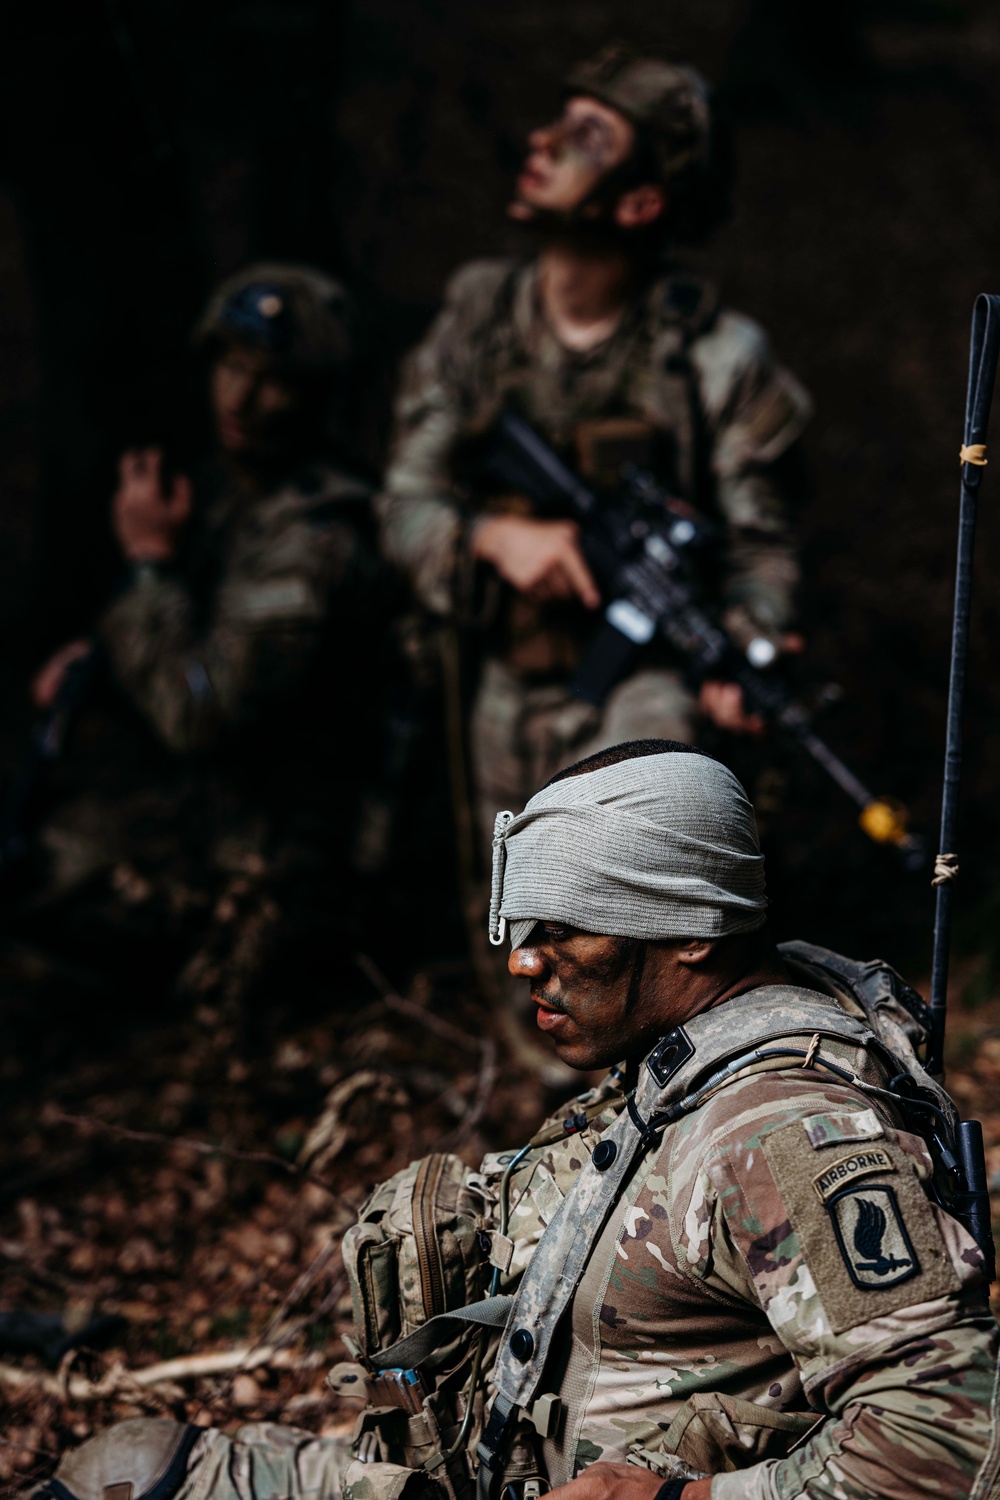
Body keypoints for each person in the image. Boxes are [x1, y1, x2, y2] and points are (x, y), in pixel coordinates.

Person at [41, 740, 998, 1500]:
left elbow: (949, 1435)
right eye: (523, 929)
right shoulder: (687, 1056)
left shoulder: (782, 1129)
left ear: (694, 931)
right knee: (130, 1468)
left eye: (563, 929)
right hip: (489, 1472)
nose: (523, 963)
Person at [377, 44, 811, 845]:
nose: (542, 141)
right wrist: (489, 536)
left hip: (641, 697)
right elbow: (405, 500)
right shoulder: (478, 321)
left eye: (587, 137)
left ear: (641, 203)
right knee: (514, 945)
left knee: (620, 914)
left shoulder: (716, 359)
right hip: (494, 684)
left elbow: (765, 545)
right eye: (557, 121)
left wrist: (746, 646)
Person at [23, 264, 386, 1000]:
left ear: (316, 395)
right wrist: (98, 654)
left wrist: (149, 568)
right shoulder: (227, 492)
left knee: (39, 894)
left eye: (272, 379)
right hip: (212, 816)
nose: (240, 399)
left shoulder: (315, 537)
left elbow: (199, 709)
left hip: (277, 865)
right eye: (229, 365)